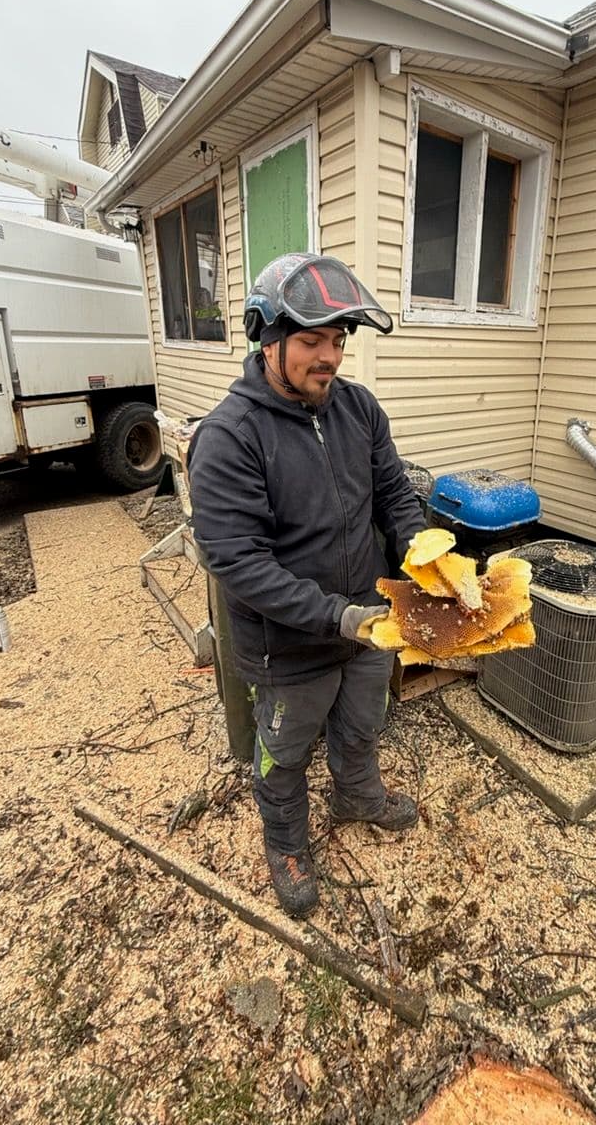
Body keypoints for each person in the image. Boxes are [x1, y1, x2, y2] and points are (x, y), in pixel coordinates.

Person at [187, 252, 426, 918]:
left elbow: (394, 497)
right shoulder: (229, 437)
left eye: (338, 341)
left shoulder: (359, 409)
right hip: (288, 645)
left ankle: (357, 794)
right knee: (284, 752)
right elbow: (237, 561)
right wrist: (337, 616)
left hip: (369, 622)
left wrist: (423, 553)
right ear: (269, 337)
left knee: (362, 723)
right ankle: (287, 844)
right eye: (312, 341)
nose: (330, 358)